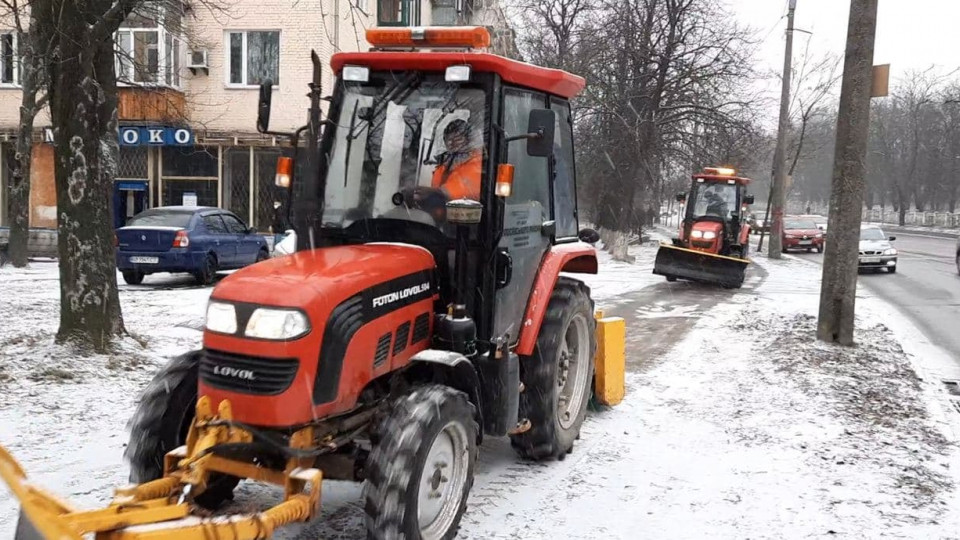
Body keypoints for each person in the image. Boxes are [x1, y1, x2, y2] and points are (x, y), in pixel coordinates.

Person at [431, 119, 482, 200]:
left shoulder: (476, 161)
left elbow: (462, 186)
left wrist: (437, 194)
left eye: (457, 139)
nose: (452, 142)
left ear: (467, 140)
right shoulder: (445, 162)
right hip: (442, 208)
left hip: (466, 210)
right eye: (449, 139)